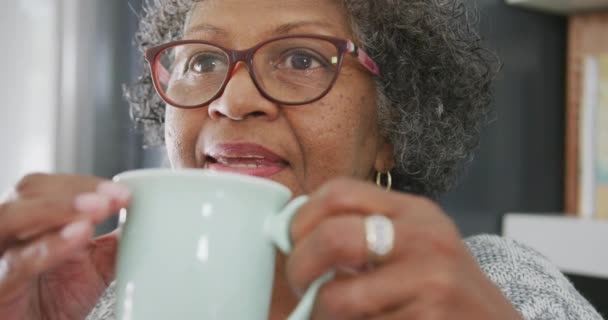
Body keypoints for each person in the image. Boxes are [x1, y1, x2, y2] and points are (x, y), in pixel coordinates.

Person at [0, 0, 603, 319]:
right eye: (203, 61)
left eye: (301, 59)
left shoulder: (493, 294)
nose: (232, 102)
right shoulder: (99, 302)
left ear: (392, 124)